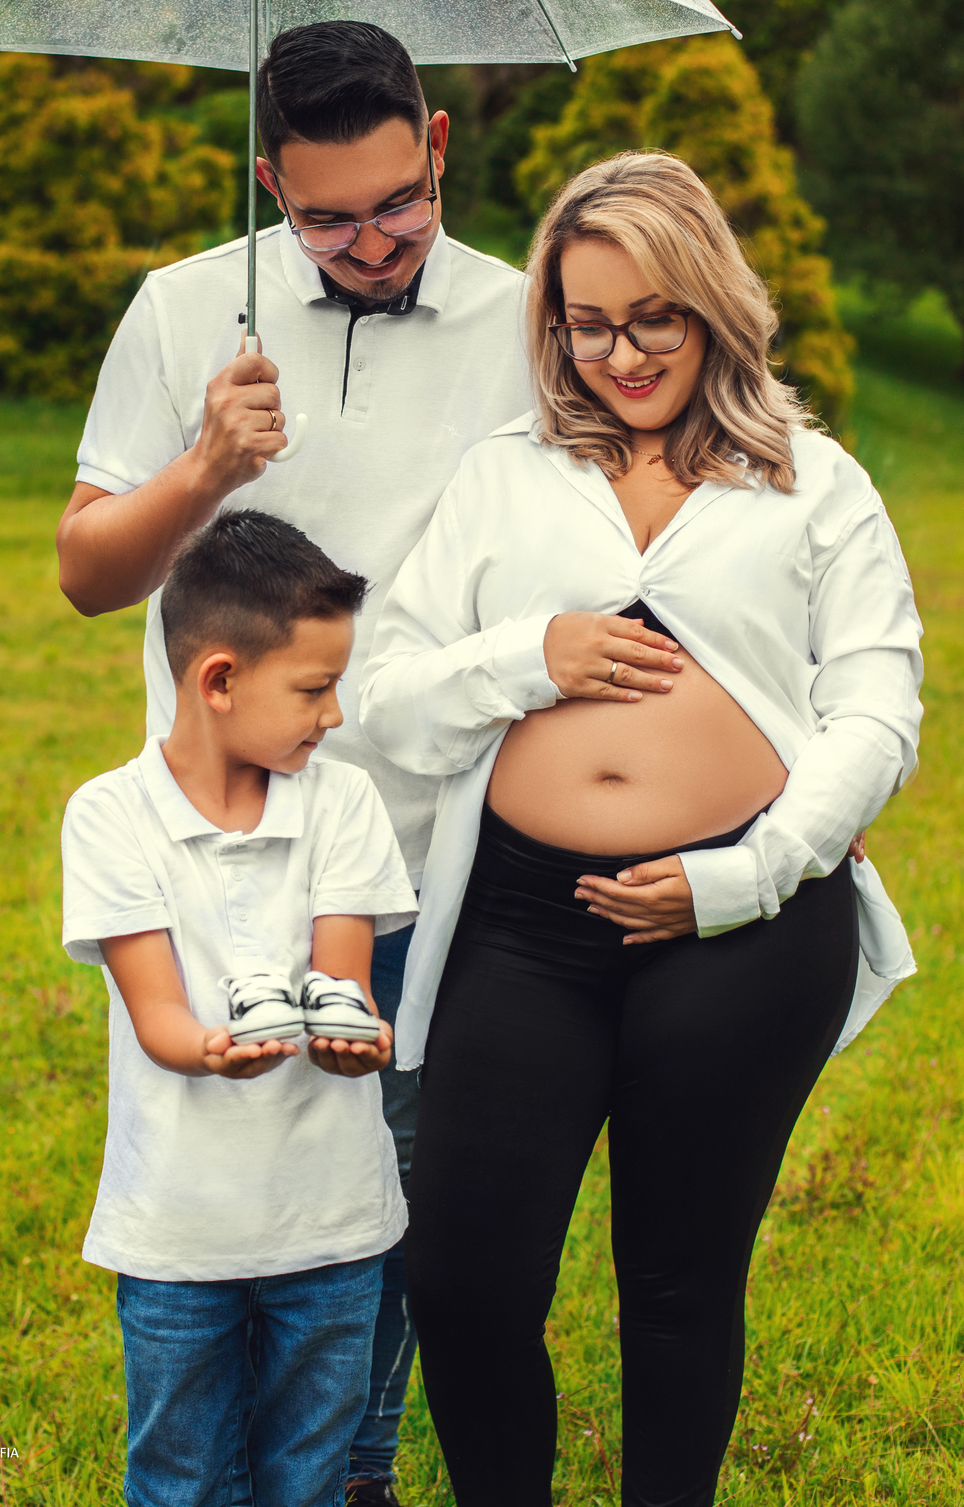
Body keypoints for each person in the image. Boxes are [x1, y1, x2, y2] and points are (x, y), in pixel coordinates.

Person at [358, 151, 922, 1507]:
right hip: (523, 922)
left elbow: (876, 711)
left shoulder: (814, 484)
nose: (621, 355)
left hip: (746, 930)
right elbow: (388, 698)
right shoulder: (506, 478)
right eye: (588, 323)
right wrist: (531, 655)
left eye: (654, 318)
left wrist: (745, 874)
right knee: (463, 1277)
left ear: (713, 305)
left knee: (676, 1282)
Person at [56, 20, 531, 1503]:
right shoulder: (183, 306)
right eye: (330, 220)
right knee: (225, 1169)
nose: (374, 244)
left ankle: (354, 1469)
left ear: (438, 146)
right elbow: (86, 572)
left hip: (432, 843)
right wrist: (206, 464)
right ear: (270, 182)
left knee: (380, 1184)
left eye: (401, 204)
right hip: (219, 853)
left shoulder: (524, 322)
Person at [62, 510, 417, 1507]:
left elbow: (342, 975)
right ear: (217, 680)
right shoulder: (110, 815)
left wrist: (354, 1037)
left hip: (331, 1221)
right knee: (182, 1475)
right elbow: (159, 1016)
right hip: (180, 1231)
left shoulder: (342, 803)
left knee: (310, 1473)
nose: (334, 715)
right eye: (313, 689)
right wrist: (214, 1049)